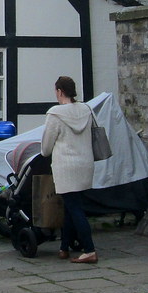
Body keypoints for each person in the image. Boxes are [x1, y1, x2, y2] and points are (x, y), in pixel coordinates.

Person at [40, 75, 97, 264]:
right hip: (85, 164)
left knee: (74, 207)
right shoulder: (86, 109)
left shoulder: (55, 114)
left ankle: (89, 249)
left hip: (66, 166)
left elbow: (46, 148)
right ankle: (64, 247)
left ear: (59, 91)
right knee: (71, 206)